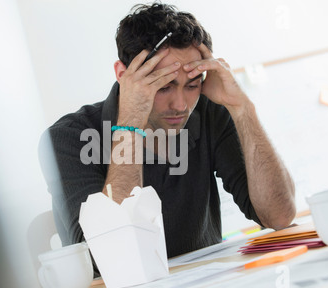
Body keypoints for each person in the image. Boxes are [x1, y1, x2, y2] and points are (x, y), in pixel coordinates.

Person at [39, 3, 296, 260]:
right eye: (163, 87)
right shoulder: (68, 138)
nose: (181, 105)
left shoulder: (209, 114)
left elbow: (280, 215)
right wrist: (130, 122)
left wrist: (242, 108)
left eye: (193, 85)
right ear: (122, 74)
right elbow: (111, 253)